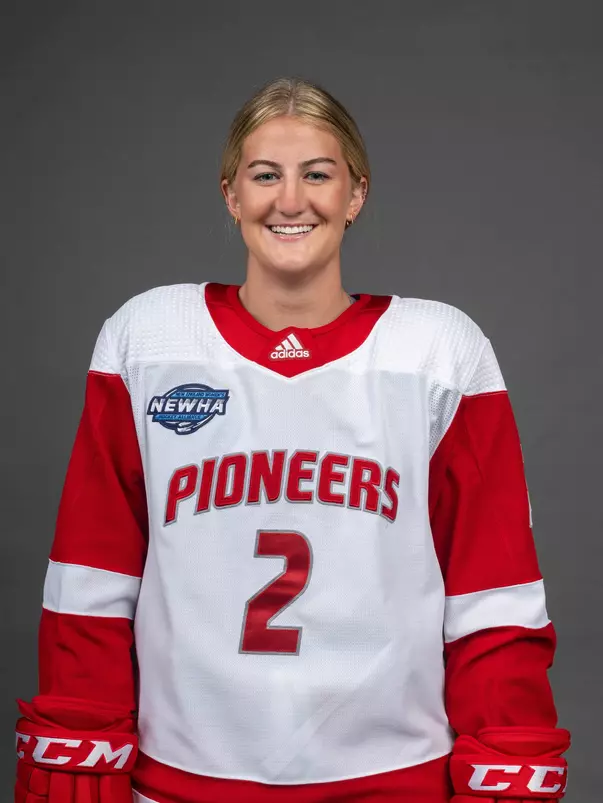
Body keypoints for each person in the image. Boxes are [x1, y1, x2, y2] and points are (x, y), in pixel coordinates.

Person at [15, 77, 570, 803]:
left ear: (355, 194)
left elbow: (491, 589)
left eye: (317, 174)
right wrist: (79, 738)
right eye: (264, 175)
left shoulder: (438, 352)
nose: (289, 200)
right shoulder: (147, 339)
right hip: (181, 777)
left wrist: (505, 753)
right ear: (230, 194)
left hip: (391, 780)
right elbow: (92, 574)